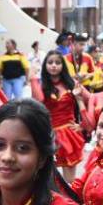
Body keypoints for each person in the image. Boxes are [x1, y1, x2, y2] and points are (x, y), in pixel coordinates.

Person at [33, 50, 87, 184]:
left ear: (63, 65)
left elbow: (90, 100)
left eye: (57, 63)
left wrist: (83, 125)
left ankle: (71, 203)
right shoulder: (41, 85)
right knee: (49, 181)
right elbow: (38, 100)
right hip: (50, 135)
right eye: (50, 62)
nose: (54, 65)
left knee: (70, 181)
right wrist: (32, 78)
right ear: (45, 65)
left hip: (69, 134)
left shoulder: (72, 83)